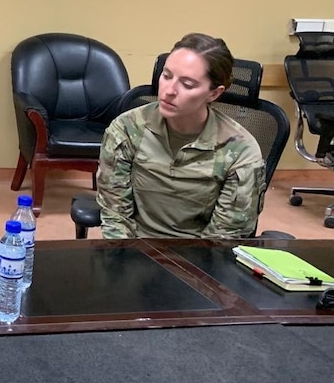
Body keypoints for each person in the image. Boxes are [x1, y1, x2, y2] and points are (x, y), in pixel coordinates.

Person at [97, 33, 266, 239]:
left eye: (187, 84)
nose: (169, 90)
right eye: (166, 76)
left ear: (214, 93)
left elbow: (224, 237)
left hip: (200, 258)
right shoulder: (128, 128)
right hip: (135, 249)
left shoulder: (240, 150)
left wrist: (188, 269)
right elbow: (116, 216)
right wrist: (125, 260)